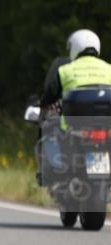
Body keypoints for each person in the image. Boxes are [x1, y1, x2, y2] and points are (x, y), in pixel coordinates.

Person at [39, 29, 111, 179]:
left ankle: (49, 173)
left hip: (74, 129)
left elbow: (48, 97)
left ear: (74, 48)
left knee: (50, 132)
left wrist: (45, 104)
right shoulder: (109, 69)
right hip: (106, 128)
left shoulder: (65, 70)